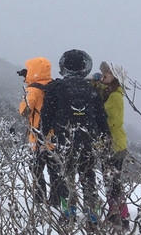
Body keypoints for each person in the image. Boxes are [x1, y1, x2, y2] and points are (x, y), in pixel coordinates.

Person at [39, 49, 109, 222]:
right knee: (88, 175)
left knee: (66, 176)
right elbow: (101, 115)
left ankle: (69, 213)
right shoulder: (90, 88)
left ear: (64, 67)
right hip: (88, 138)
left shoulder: (56, 87)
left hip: (64, 137)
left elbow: (46, 114)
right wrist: (105, 135)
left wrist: (44, 134)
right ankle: (93, 215)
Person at [92, 61, 129, 228]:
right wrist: (94, 82)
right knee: (111, 181)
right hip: (109, 145)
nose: (104, 74)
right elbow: (97, 91)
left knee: (113, 182)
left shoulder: (115, 97)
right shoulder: (108, 91)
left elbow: (109, 120)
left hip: (113, 146)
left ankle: (121, 216)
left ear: (115, 78)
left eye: (107, 73)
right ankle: (116, 213)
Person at [18, 57, 59, 207]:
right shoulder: (54, 86)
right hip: (54, 137)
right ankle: (55, 200)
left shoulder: (33, 89)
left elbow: (24, 111)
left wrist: (28, 89)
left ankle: (40, 198)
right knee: (55, 171)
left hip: (37, 136)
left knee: (36, 170)